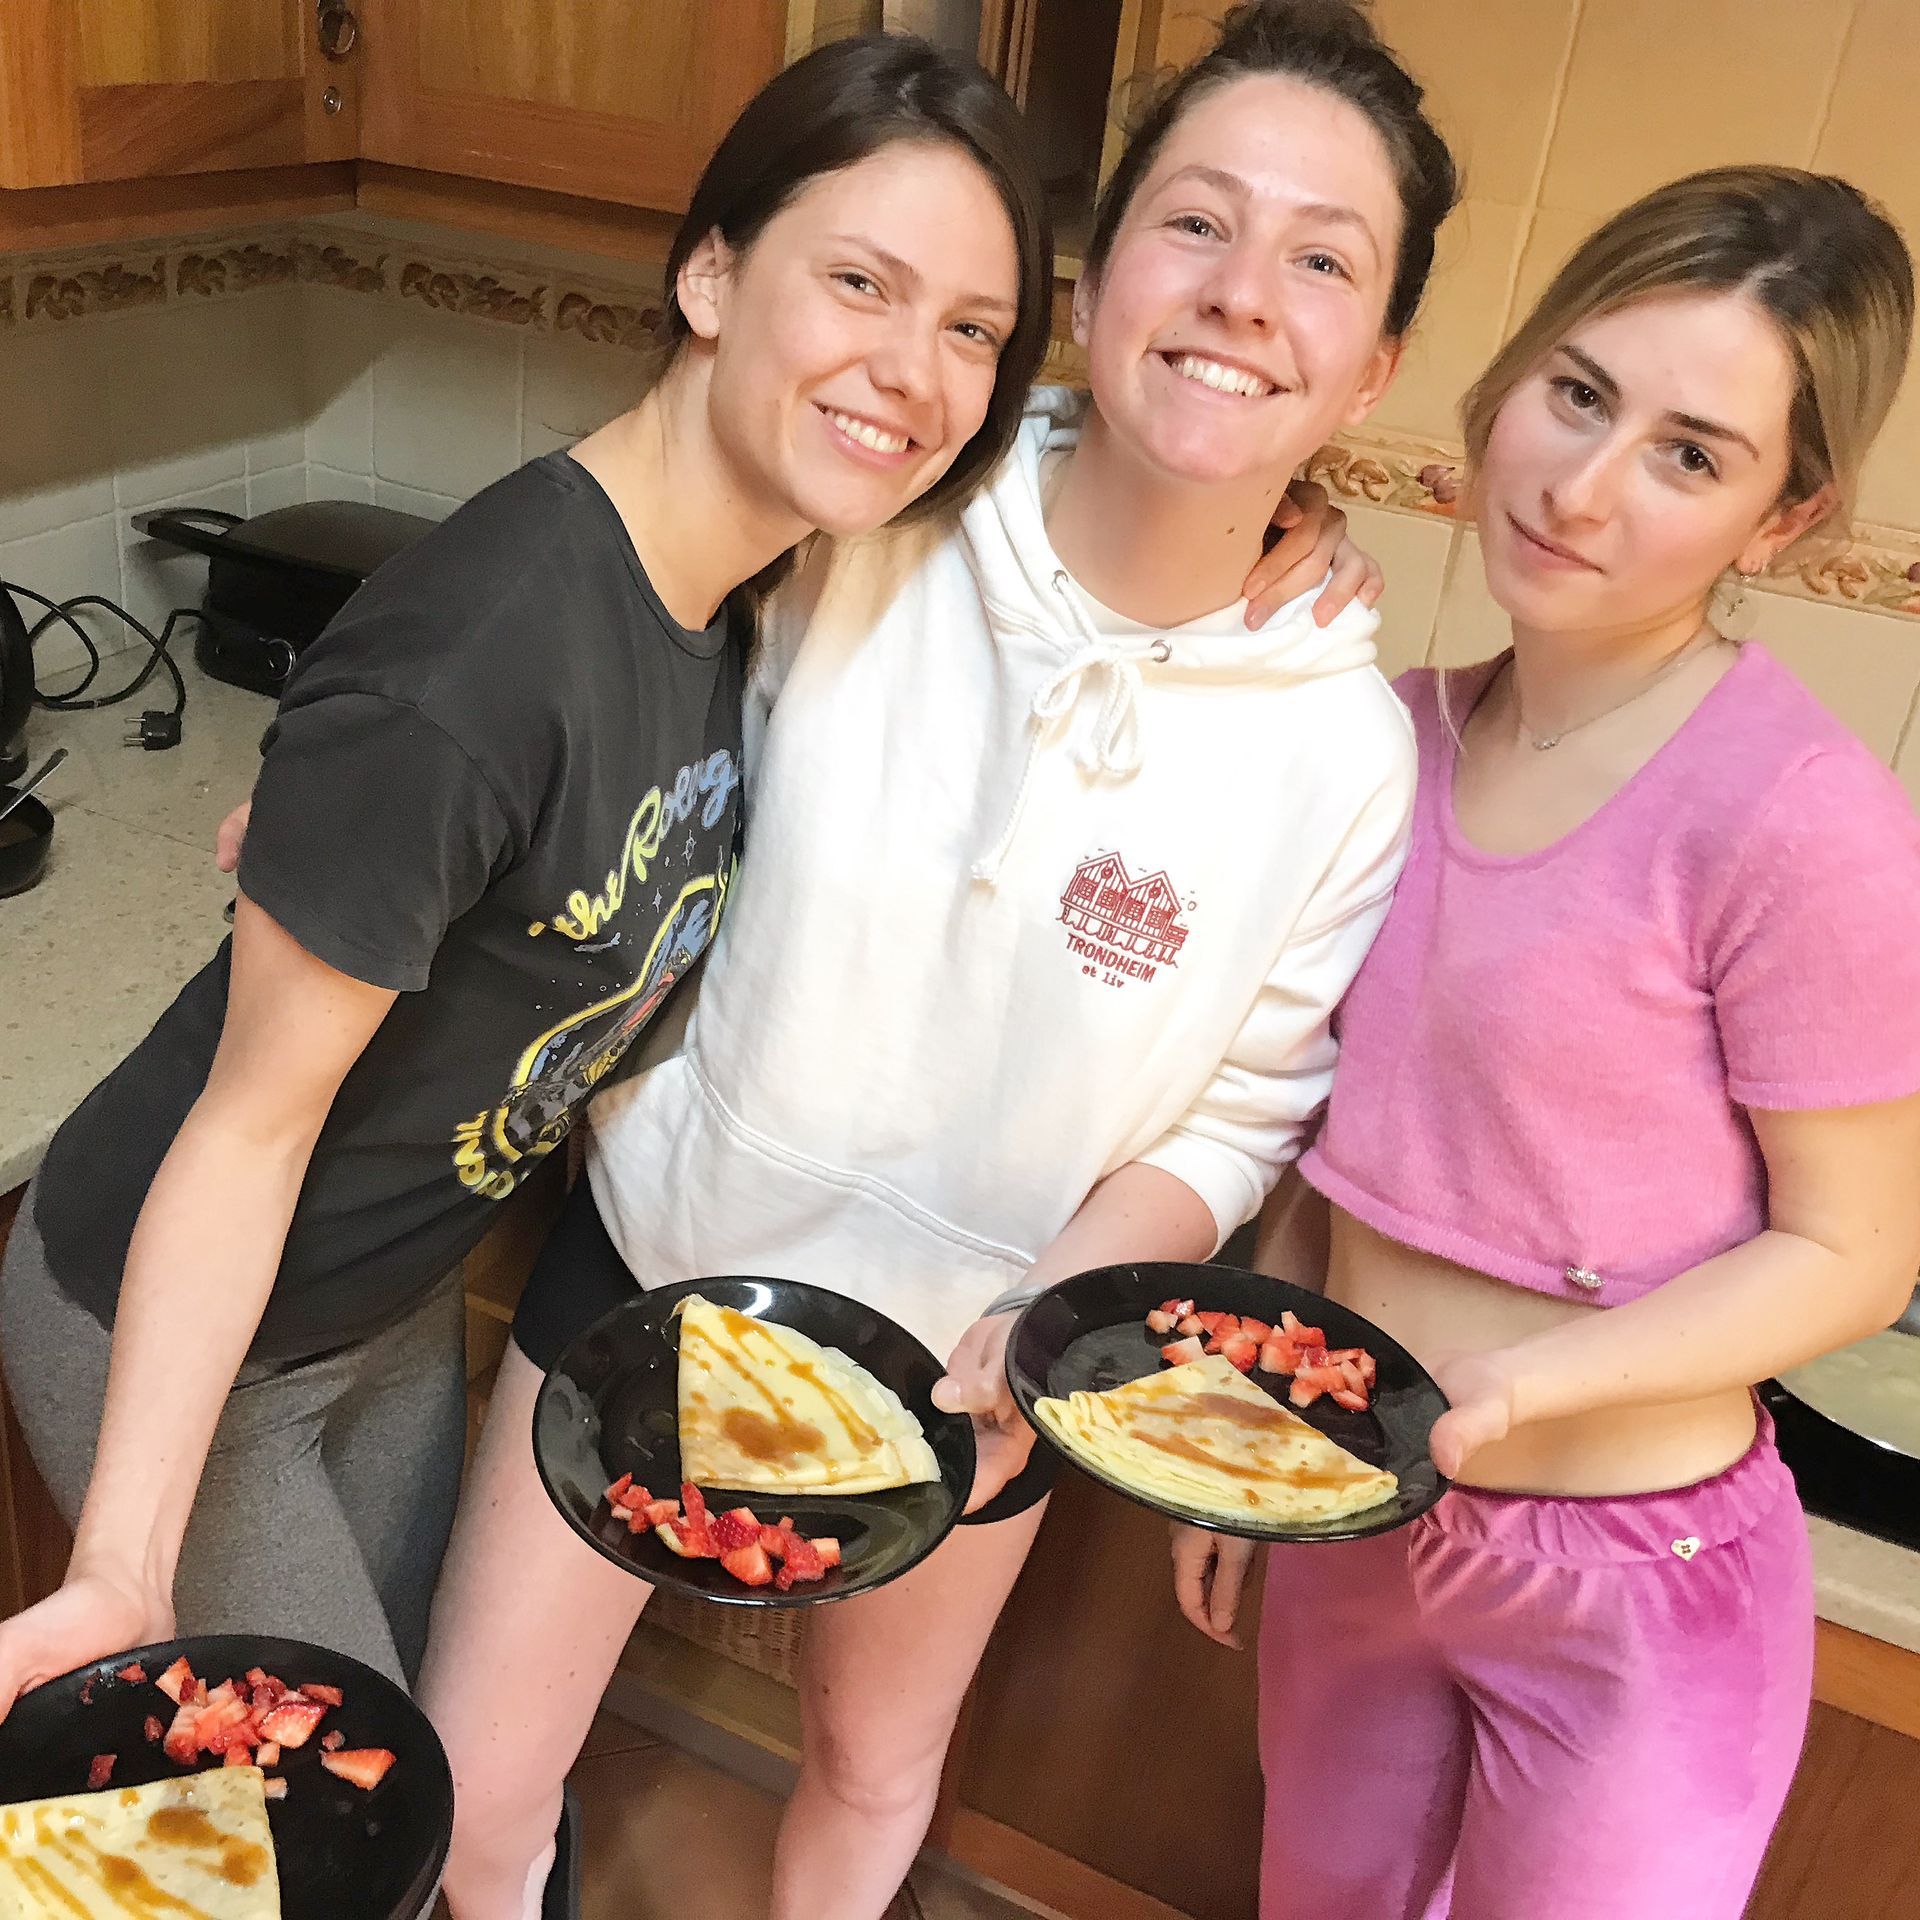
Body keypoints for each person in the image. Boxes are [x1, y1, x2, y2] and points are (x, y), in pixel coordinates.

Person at [416, 6, 1460, 1917]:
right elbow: (610, 602)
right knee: (479, 1780)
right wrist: (393, 792)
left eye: (1322, 261)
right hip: (655, 1259)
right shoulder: (891, 502)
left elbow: (1240, 1103)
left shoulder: (1345, 751)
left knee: (873, 1767)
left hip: (981, 1364)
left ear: (1375, 364)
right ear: (1096, 269)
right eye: (1196, 225)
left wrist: (1057, 1308)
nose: (1242, 298)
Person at [0, 32, 1054, 1714]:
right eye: (860, 280)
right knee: (354, 1822)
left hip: (385, 1293)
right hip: (171, 1313)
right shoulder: (482, 657)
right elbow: (246, 1124)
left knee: (433, 1728)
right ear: (712, 272)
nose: (914, 371)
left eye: (974, 330)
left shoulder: (741, 593)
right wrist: (127, 1557)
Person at [1172, 165, 1920, 1920]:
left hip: (1633, 1580)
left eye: (1689, 453)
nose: (1583, 488)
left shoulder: (1803, 820)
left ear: (1783, 519)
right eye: (1576, 393)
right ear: (1505, 382)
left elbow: (1857, 1254)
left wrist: (1529, 1390)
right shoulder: (1393, 738)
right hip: (1356, 1513)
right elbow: (1327, 1136)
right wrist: (1244, 1432)